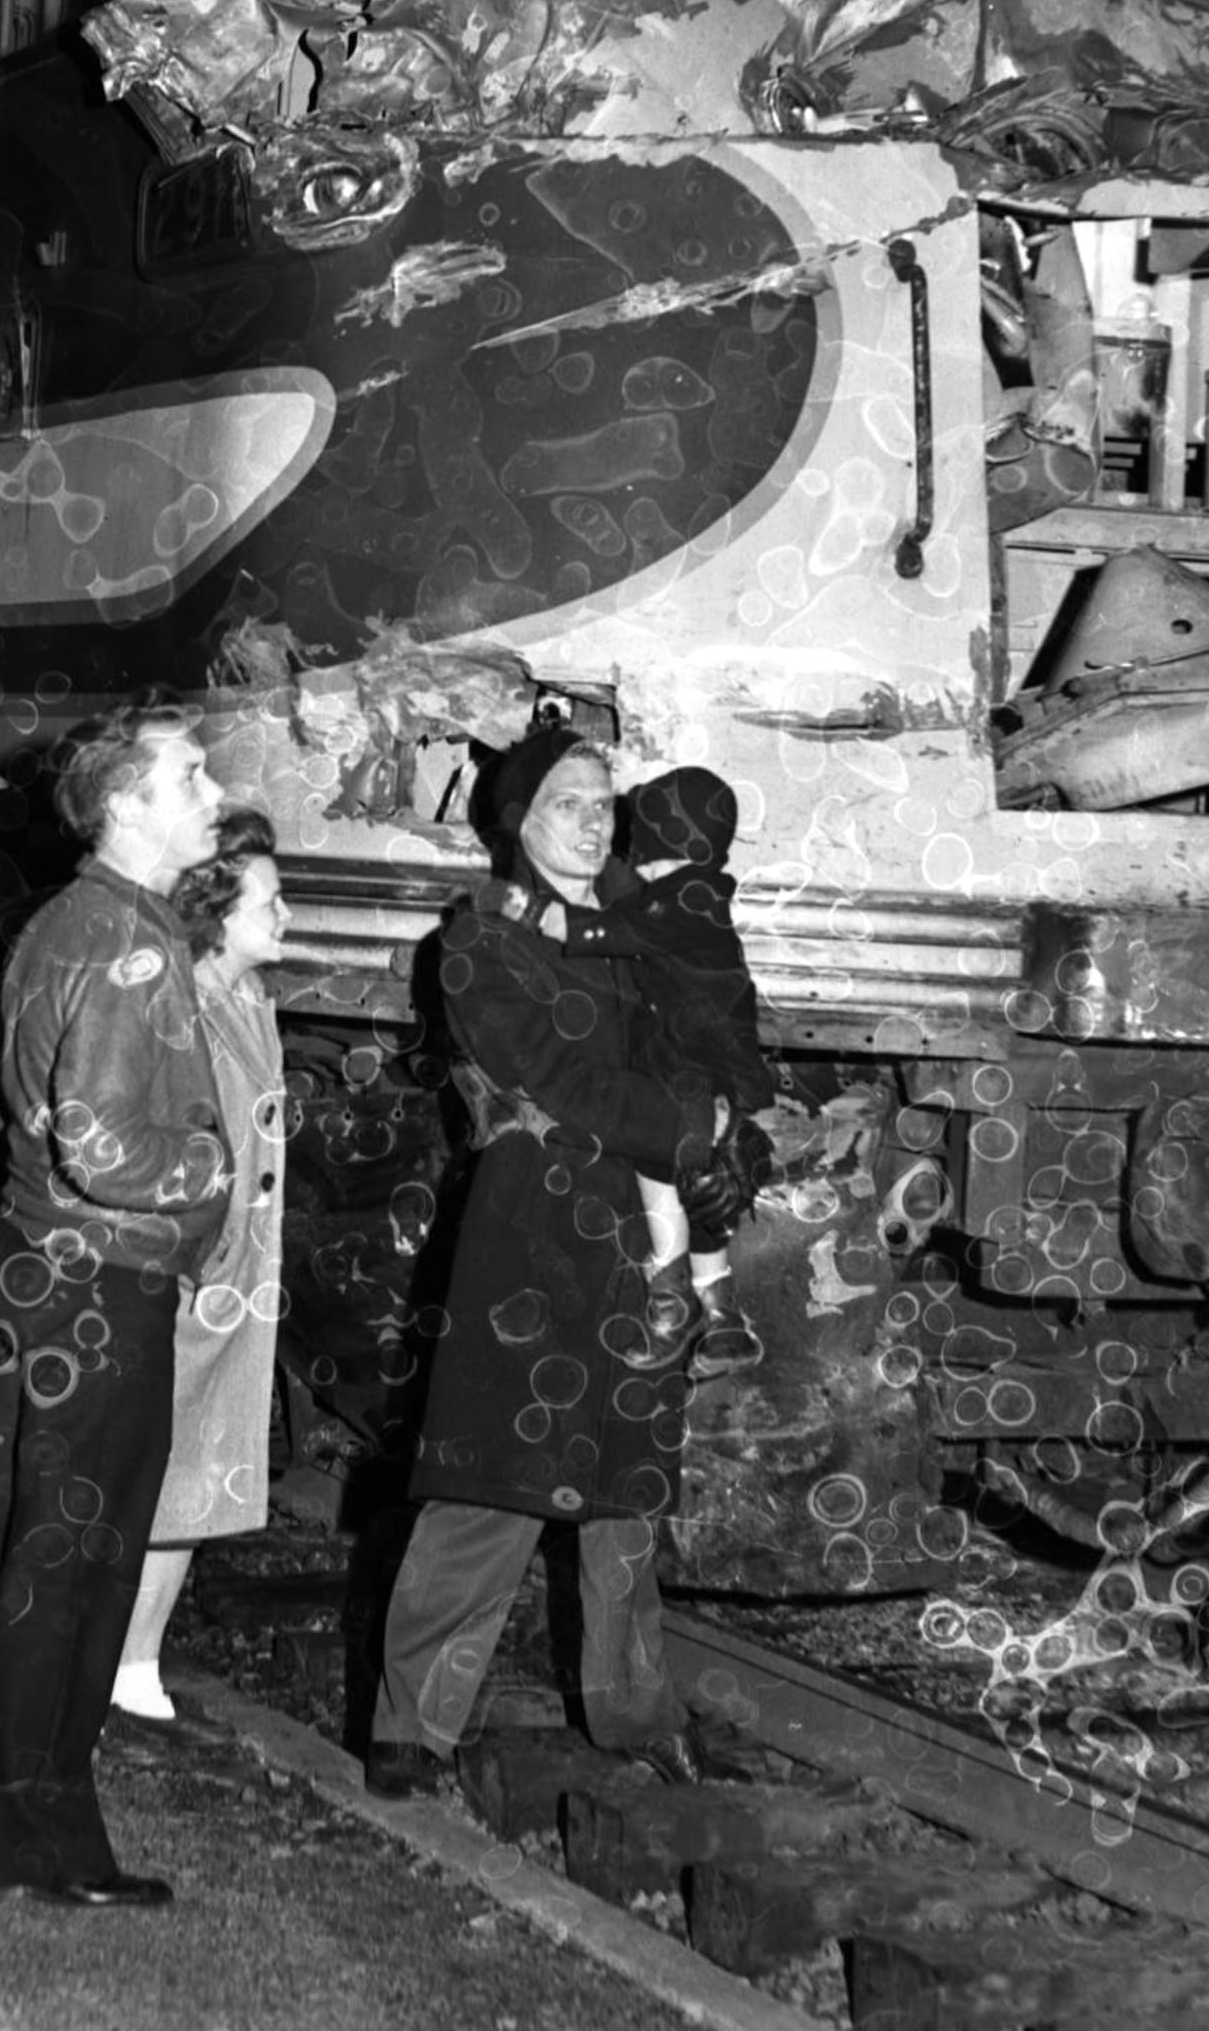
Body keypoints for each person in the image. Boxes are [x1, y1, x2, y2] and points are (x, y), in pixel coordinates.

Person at [0, 708, 235, 1905]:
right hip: (95, 1288)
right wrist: (212, 1169)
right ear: (125, 806)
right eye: (190, 774)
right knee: (73, 1564)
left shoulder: (67, 920)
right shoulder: (128, 943)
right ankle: (31, 1832)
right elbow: (98, 1138)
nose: (213, 788)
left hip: (36, 1275)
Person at [364, 732, 723, 1803]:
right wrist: (688, 1122)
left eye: (604, 801)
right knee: (492, 1483)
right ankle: (409, 1725)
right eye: (567, 801)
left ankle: (635, 1711)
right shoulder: (478, 943)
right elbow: (559, 1076)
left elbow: (693, 1048)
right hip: (534, 1223)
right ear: (516, 821)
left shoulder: (642, 937)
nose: (593, 817)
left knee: (627, 1491)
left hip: (638, 1223)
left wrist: (696, 1126)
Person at [111, 808, 292, 1722]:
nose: (286, 914)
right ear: (217, 911)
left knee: (199, 1468)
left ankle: (136, 1657)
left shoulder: (249, 1002)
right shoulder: (188, 1007)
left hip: (236, 1283)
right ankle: (122, 1659)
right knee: (171, 1464)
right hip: (197, 1281)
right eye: (270, 899)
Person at [614, 767, 780, 1371]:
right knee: (710, 1185)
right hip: (711, 1074)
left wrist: (545, 918)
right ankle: (721, 1313)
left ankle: (669, 1298)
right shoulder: (703, 899)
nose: (638, 869)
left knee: (663, 1174)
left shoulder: (670, 905)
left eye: (647, 857)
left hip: (676, 1075)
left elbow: (606, 935)